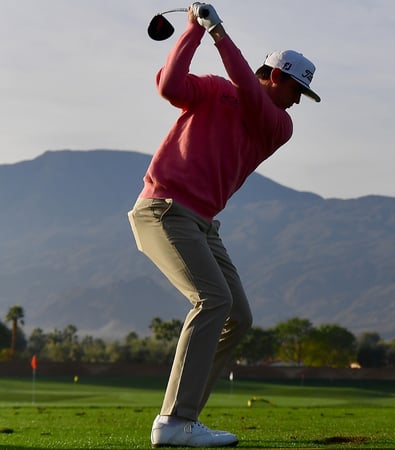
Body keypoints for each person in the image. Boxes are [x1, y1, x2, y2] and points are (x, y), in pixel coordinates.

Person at [127, 3, 321, 447]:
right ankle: (173, 422)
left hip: (202, 225)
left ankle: (185, 418)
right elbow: (169, 85)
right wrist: (195, 30)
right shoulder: (215, 89)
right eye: (297, 89)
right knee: (213, 300)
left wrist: (219, 33)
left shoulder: (278, 124)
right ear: (276, 75)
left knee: (237, 314)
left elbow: (250, 98)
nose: (297, 100)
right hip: (163, 209)